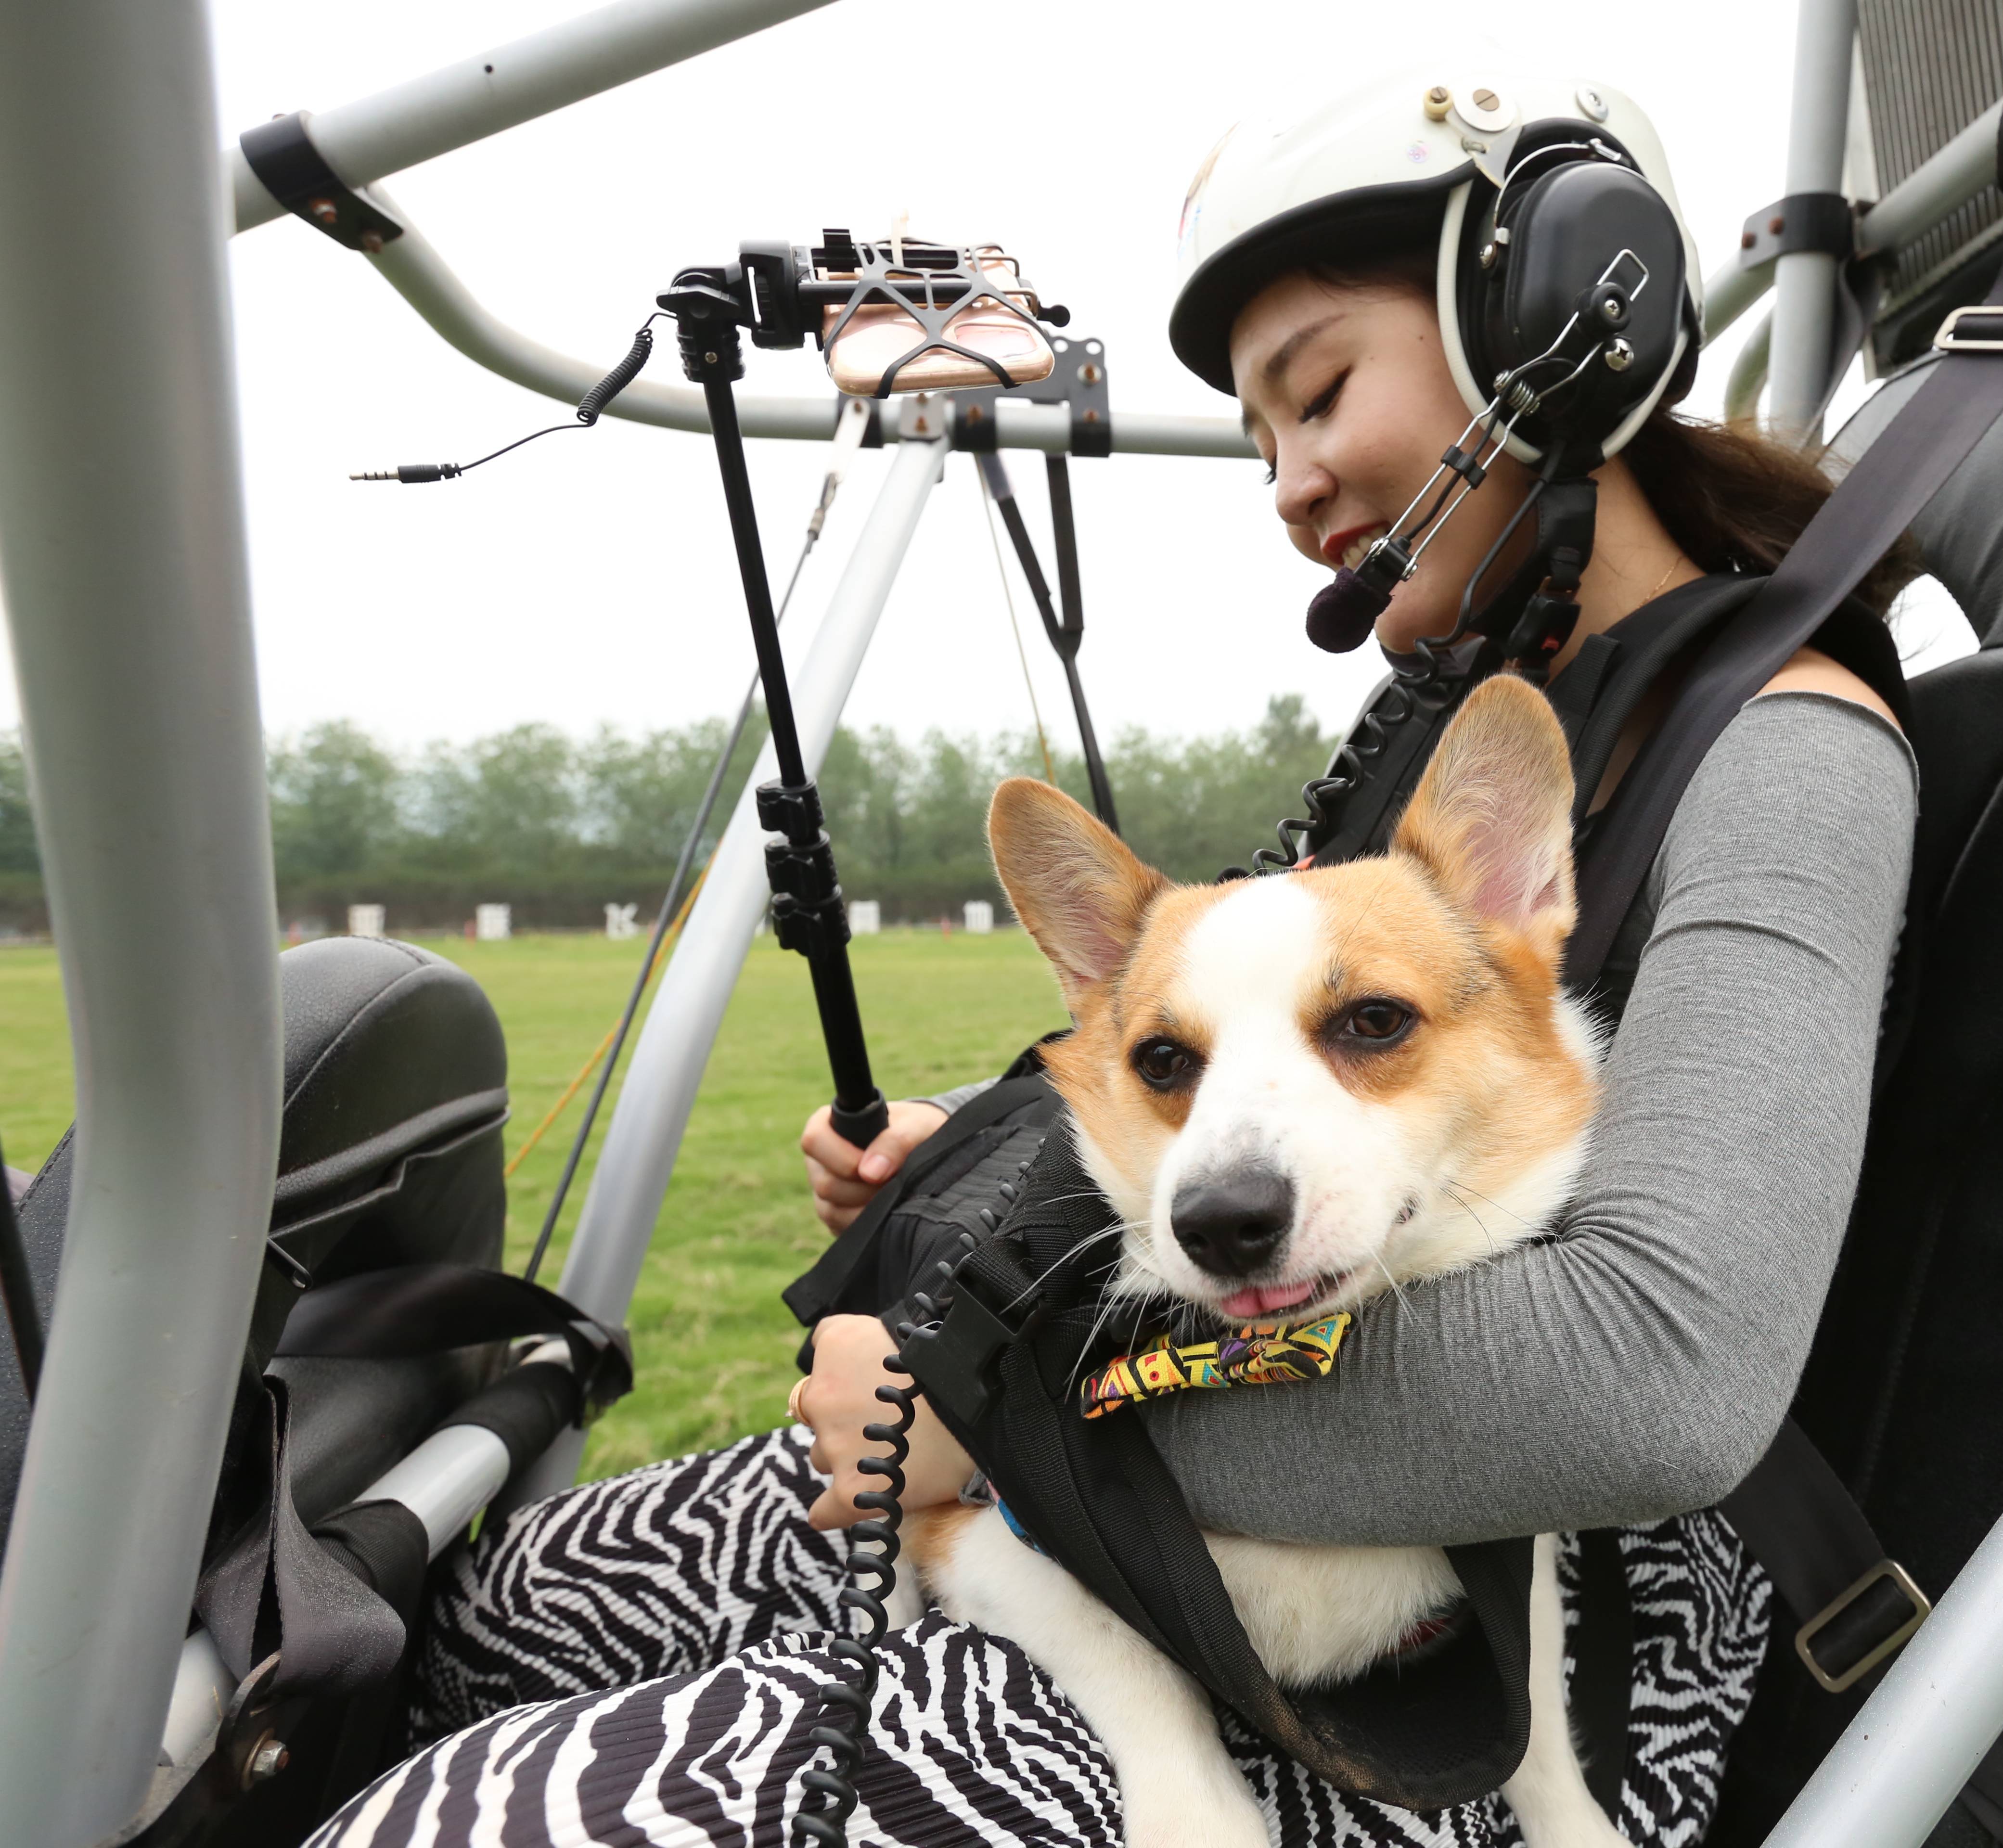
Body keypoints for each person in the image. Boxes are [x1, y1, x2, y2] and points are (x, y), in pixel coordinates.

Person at [313, 71, 1918, 1848]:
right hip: (1174, 1425)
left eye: (1319, 395)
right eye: (1257, 440)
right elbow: (1229, 1052)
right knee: (488, 1602)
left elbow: (1653, 1375)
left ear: (1559, 323)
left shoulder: (1788, 754)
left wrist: (993, 1419)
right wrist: (981, 1163)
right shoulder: (1430, 726)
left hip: (1517, 1623)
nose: (1293, 484)